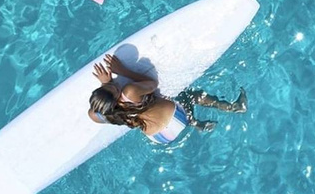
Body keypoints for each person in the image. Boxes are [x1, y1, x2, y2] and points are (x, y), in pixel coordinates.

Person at [88, 54, 247, 145]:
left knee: (175, 110)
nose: (115, 84)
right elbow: (152, 83)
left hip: (160, 137)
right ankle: (233, 107)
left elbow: (93, 112)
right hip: (175, 119)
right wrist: (123, 71)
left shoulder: (100, 115)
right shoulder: (129, 92)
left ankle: (198, 124)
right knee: (190, 95)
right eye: (114, 87)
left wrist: (107, 84)